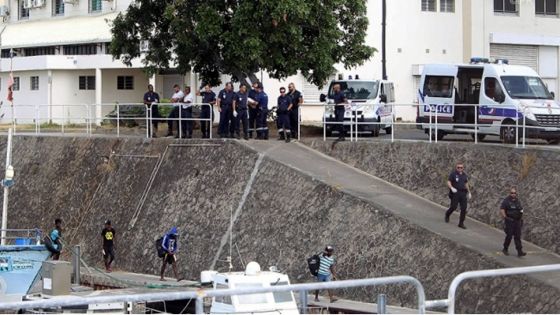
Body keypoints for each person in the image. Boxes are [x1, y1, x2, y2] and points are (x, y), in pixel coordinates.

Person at [445, 162, 472, 229]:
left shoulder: (464, 175)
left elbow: (466, 184)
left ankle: (461, 223)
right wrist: (451, 188)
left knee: (464, 208)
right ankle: (447, 214)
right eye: (458, 167)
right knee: (454, 206)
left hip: (463, 193)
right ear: (456, 168)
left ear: (463, 168)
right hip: (455, 192)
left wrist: (469, 192)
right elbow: (448, 182)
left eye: (461, 167)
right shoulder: (453, 174)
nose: (460, 169)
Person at [500, 188, 527, 257]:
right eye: (512, 193)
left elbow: (521, 209)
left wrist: (521, 216)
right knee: (509, 235)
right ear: (509, 193)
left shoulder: (517, 201)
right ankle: (505, 249)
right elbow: (502, 209)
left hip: (517, 221)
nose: (513, 194)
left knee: (517, 236)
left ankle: (519, 251)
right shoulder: (506, 201)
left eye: (514, 193)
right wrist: (505, 217)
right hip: (510, 221)